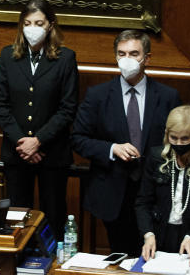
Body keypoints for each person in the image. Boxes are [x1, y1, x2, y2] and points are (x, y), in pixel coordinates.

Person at [72, 30, 181, 257]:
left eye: (133, 53)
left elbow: (178, 143)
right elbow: (78, 138)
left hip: (155, 195)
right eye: (121, 54)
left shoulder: (167, 97)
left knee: (155, 258)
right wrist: (112, 148)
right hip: (113, 191)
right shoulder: (98, 96)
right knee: (122, 258)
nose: (127, 59)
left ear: (147, 58)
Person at [0, 0, 79, 238]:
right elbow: (0, 105)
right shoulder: (8, 56)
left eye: (38, 23)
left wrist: (38, 141)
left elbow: (67, 108)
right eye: (27, 23)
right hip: (17, 153)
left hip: (52, 154)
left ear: (50, 25)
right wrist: (23, 142)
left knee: (54, 216)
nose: (32, 28)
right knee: (17, 219)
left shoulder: (65, 58)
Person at [136, 105, 190, 266]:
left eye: (185, 139)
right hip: (157, 236)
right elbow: (143, 203)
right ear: (167, 134)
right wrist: (148, 234)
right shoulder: (156, 158)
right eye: (173, 138)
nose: (178, 143)